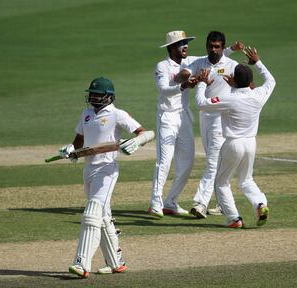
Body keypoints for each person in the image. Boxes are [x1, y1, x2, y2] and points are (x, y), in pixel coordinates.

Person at [59, 76, 154, 278]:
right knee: (102, 216)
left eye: (97, 95)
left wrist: (136, 142)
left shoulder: (117, 114)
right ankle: (116, 262)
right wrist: (70, 150)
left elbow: (146, 133)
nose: (92, 97)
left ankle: (81, 263)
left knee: (92, 212)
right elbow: (79, 142)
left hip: (107, 168)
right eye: (91, 94)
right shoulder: (86, 114)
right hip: (89, 169)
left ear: (108, 97)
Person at [149, 30, 242, 218]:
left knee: (188, 162)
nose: (185, 46)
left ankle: (170, 202)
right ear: (172, 47)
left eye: (186, 43)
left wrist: (231, 49)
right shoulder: (162, 66)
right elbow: (163, 90)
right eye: (181, 43)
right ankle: (155, 202)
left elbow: (214, 57)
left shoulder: (189, 61)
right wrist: (184, 85)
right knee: (165, 161)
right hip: (167, 116)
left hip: (184, 116)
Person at [194, 46, 276, 228]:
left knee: (221, 183)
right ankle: (260, 204)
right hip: (251, 143)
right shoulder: (258, 94)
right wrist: (258, 63)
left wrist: (202, 83)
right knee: (246, 179)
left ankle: (234, 219)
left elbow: (201, 104)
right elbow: (271, 81)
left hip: (233, 144)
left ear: (233, 80)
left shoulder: (229, 98)